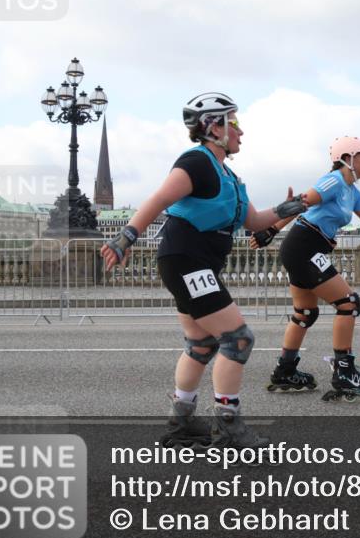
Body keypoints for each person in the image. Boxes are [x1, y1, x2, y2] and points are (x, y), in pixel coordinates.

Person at [100, 92, 308, 448]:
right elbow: (159, 198)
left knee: (201, 343)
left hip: (191, 261)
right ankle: (228, 427)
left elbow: (254, 221)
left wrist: (291, 208)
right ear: (215, 126)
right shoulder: (196, 162)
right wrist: (125, 238)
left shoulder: (228, 175)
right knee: (239, 339)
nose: (241, 132)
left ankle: (179, 425)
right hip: (187, 259)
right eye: (235, 123)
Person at [250, 136, 360, 401]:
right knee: (349, 303)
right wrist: (271, 229)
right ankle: (344, 371)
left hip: (309, 248)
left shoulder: (352, 191)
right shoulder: (333, 180)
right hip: (304, 246)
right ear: (348, 158)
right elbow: (302, 202)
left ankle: (285, 370)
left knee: (305, 313)